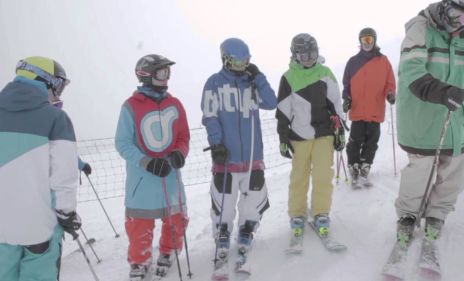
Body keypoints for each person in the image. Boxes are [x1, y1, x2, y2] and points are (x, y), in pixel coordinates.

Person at [395, 0, 464, 247]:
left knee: (454, 173)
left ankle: (436, 214)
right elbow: (412, 71)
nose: (458, 23)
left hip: (454, 118)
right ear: (445, 6)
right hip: (423, 117)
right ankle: (408, 215)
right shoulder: (420, 29)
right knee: (420, 172)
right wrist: (443, 92)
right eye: (456, 14)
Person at [0, 56, 81, 281]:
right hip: (38, 227)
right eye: (59, 85)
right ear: (46, 81)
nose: (58, 93)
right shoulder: (56, 118)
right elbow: (64, 175)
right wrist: (66, 212)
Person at [201, 38, 276, 272]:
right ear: (225, 59)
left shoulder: (251, 83)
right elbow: (209, 115)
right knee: (225, 200)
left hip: (253, 155)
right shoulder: (214, 83)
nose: (242, 65)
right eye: (237, 61)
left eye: (246, 61)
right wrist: (216, 144)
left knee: (252, 198)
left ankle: (247, 229)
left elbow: (272, 102)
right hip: (227, 157)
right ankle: (222, 233)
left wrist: (259, 76)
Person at [115, 54, 190, 280]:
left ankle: (168, 252)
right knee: (139, 225)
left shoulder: (174, 104)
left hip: (170, 178)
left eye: (168, 72)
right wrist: (146, 161)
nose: (166, 77)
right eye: (161, 72)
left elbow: (183, 136)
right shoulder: (131, 107)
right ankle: (139, 262)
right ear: (146, 74)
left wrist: (180, 152)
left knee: (176, 219)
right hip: (143, 180)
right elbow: (122, 143)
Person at [276, 33, 345, 240]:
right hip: (299, 136)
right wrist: (283, 137)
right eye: (304, 55)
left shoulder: (325, 73)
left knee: (323, 175)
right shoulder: (288, 78)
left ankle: (320, 212)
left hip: (324, 134)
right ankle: (297, 214)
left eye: (312, 53)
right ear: (295, 55)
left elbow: (336, 104)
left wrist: (339, 130)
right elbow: (283, 111)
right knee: (299, 176)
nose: (309, 58)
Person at [342, 27, 396, 187]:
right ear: (360, 42)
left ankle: (365, 166)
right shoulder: (353, 62)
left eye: (369, 40)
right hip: (358, 109)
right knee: (355, 140)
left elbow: (389, 83)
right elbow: (346, 85)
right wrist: (347, 98)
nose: (367, 43)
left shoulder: (383, 61)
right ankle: (354, 166)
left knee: (372, 141)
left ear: (374, 41)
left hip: (375, 109)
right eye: (364, 40)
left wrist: (390, 94)